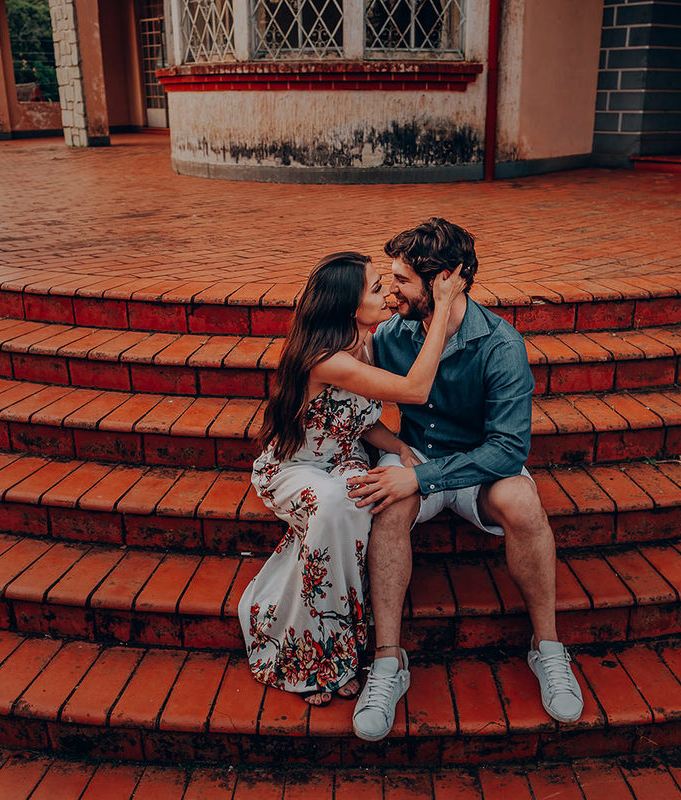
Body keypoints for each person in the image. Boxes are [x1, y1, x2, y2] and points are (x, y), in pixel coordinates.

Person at [347, 218, 583, 742]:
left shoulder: (501, 344)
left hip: (480, 466)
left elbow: (508, 448)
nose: (391, 291)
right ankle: (388, 662)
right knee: (385, 504)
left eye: (402, 280)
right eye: (388, 279)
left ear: (446, 279)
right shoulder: (391, 334)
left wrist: (424, 478)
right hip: (416, 455)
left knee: (524, 501)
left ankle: (548, 648)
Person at [241, 251, 464, 706]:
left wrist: (399, 446)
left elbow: (355, 417)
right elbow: (415, 391)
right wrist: (441, 308)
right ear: (348, 305)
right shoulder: (326, 358)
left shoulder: (364, 339)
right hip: (293, 469)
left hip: (342, 461)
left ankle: (335, 655)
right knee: (333, 504)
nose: (388, 293)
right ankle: (311, 660)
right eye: (377, 288)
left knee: (349, 499)